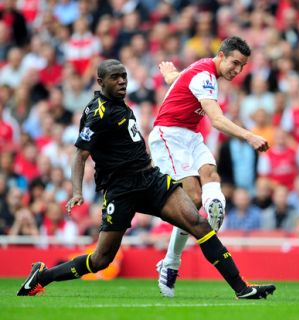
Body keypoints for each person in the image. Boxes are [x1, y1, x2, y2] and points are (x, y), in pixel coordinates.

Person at [17, 59, 275, 300]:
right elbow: (79, 154)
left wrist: (173, 76)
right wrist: (76, 191)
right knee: (101, 260)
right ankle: (43, 276)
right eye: (115, 78)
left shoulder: (122, 105)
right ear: (100, 82)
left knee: (198, 223)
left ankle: (242, 289)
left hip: (149, 179)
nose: (122, 82)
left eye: (124, 77)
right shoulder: (97, 113)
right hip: (120, 190)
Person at [148, 36, 270, 297]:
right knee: (191, 200)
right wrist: (250, 135)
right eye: (235, 63)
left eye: (242, 67)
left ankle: (215, 208)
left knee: (210, 174)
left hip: (190, 135)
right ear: (221, 55)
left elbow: (180, 80)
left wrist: (171, 75)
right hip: (169, 135)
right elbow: (216, 119)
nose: (237, 71)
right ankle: (170, 263)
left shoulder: (204, 71)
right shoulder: (206, 75)